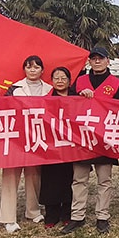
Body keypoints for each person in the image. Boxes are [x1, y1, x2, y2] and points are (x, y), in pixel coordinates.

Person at [61, 47, 119, 235]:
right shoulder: (79, 81)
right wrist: (80, 96)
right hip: (82, 138)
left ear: (107, 61)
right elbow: (69, 106)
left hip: (104, 139)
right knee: (79, 179)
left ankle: (102, 216)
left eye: (100, 58)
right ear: (89, 61)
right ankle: (77, 216)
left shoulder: (116, 83)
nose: (97, 61)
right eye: (94, 58)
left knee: (104, 180)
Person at [0, 55, 53, 233]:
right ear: (24, 70)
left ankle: (33, 211)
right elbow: (3, 108)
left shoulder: (50, 89)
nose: (32, 70)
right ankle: (8, 217)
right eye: (29, 67)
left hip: (37, 137)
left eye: (36, 67)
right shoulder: (14, 88)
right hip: (16, 138)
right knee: (10, 176)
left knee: (34, 175)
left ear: (42, 70)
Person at [39, 67, 76, 228]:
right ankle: (51, 215)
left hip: (71, 146)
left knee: (69, 179)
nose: (60, 81)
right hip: (51, 146)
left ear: (69, 81)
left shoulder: (77, 98)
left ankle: (67, 213)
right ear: (52, 81)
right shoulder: (45, 99)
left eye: (63, 78)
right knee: (50, 180)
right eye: (56, 78)